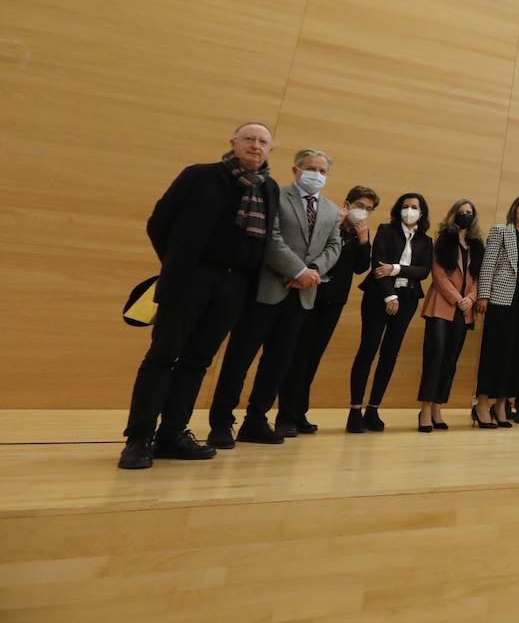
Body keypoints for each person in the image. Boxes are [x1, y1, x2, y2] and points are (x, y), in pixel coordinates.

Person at [118, 122, 280, 470]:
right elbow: (159, 223)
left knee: (198, 361)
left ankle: (173, 433)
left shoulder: (270, 188)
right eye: (249, 139)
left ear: (270, 150)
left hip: (236, 285)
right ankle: (139, 438)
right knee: (163, 356)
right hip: (192, 279)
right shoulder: (200, 176)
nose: (256, 145)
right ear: (233, 143)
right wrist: (180, 265)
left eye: (263, 141)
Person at [209, 148, 342, 448]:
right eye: (311, 168)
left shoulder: (332, 211)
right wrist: (296, 270)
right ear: (296, 170)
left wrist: (312, 271)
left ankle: (256, 420)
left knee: (278, 362)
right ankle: (221, 421)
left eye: (322, 171)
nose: (317, 175)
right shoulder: (275, 196)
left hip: (303, 296)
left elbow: (334, 246)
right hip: (267, 290)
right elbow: (271, 237)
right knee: (239, 358)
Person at [278, 185, 377, 436]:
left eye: (368, 209)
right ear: (348, 203)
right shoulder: (330, 221)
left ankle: (299, 412)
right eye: (360, 206)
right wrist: (340, 223)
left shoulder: (360, 234)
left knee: (313, 357)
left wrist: (365, 241)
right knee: (298, 357)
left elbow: (360, 268)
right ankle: (285, 416)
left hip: (334, 302)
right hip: (311, 295)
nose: (363, 212)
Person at [349, 193, 432, 433]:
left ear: (422, 212)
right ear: (398, 210)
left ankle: (373, 408)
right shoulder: (386, 230)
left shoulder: (426, 241)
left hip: (407, 301)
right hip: (378, 297)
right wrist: (389, 295)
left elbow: (422, 271)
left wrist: (395, 268)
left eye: (414, 207)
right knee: (368, 350)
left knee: (390, 354)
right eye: (405, 206)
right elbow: (378, 266)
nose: (409, 211)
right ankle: (355, 409)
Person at [472, 194, 519, 428]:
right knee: (493, 353)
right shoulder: (500, 231)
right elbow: (488, 264)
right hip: (500, 301)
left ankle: (501, 404)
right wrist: (483, 294)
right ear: (515, 209)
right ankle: (482, 403)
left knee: (515, 356)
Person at [416, 200, 483, 432]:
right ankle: (425, 409)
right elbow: (439, 276)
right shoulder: (441, 240)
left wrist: (471, 299)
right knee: (434, 358)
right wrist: (459, 299)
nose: (465, 216)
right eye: (461, 212)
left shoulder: (476, 245)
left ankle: (437, 406)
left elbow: (477, 278)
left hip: (464, 312)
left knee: (450, 362)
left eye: (469, 213)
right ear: (453, 214)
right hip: (442, 306)